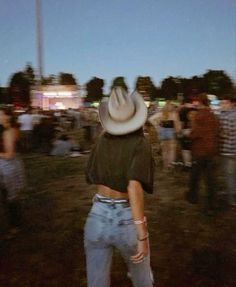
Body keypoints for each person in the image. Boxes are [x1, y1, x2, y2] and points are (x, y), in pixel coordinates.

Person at [84, 87, 154, 287]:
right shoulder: (140, 143)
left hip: (97, 213)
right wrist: (142, 234)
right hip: (125, 216)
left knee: (96, 282)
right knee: (142, 279)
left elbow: (93, 176)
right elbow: (134, 187)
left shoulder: (101, 142)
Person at [185, 93, 219, 215]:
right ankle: (212, 204)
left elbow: (195, 133)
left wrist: (187, 135)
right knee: (210, 179)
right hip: (211, 151)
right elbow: (216, 132)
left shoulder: (200, 115)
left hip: (200, 151)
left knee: (195, 176)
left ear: (200, 102)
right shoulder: (212, 115)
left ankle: (192, 196)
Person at [0, 107, 25, 237]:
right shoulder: (3, 130)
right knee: (6, 197)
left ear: (6, 116)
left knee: (11, 197)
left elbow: (9, 154)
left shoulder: (8, 132)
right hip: (4, 167)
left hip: (8, 168)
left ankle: (16, 225)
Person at [149, 100, 181, 171]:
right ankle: (170, 165)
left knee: (164, 151)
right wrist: (177, 131)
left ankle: (165, 166)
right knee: (171, 150)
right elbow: (177, 125)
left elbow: (151, 119)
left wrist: (158, 127)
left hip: (162, 133)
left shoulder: (161, 113)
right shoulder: (174, 114)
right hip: (171, 133)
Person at [218, 94, 236, 207]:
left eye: (224, 103)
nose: (221, 105)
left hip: (228, 150)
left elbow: (224, 133)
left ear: (231, 103)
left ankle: (232, 199)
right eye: (221, 103)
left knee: (229, 174)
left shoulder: (224, 116)